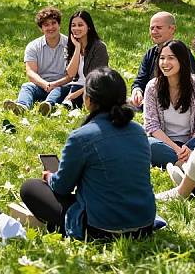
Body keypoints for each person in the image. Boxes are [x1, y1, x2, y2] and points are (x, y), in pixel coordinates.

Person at [20, 68, 156, 240]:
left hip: (102, 227)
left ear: (88, 100)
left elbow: (62, 187)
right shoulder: (138, 131)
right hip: (144, 225)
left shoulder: (82, 137)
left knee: (30, 188)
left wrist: (49, 177)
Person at [143, 40, 195, 168]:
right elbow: (152, 126)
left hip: (192, 143)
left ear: (182, 60)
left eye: (171, 58)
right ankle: (183, 165)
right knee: (147, 144)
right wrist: (177, 149)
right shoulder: (152, 87)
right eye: (162, 58)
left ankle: (185, 163)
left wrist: (188, 148)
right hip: (164, 143)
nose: (164, 63)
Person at [4, 7, 70, 116]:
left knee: (59, 89)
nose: (50, 27)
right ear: (41, 28)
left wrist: (55, 84)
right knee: (27, 86)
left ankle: (47, 106)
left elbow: (71, 75)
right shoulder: (33, 46)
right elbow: (30, 73)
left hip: (62, 85)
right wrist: (45, 84)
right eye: (46, 25)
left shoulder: (70, 45)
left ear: (59, 25)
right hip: (41, 84)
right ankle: (22, 106)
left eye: (53, 23)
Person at [131, 12, 195, 107]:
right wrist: (137, 91)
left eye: (159, 28)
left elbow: (190, 84)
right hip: (147, 102)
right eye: (152, 28)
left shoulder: (182, 53)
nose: (154, 32)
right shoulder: (150, 53)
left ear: (172, 29)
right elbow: (140, 80)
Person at [62, 11, 109, 108]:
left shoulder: (99, 47)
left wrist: (75, 94)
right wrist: (77, 48)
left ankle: (69, 104)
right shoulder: (71, 46)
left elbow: (97, 80)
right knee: (57, 91)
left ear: (89, 27)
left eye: (80, 25)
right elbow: (71, 74)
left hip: (93, 87)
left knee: (78, 95)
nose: (76, 28)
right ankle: (48, 105)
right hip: (74, 85)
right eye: (73, 25)